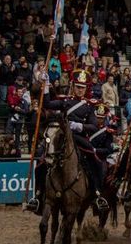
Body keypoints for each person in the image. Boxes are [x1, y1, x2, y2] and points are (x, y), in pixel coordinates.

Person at [30, 69, 108, 213]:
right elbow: (46, 103)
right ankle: (38, 196)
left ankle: (97, 194)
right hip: (62, 136)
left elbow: (93, 126)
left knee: (96, 161)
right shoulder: (65, 101)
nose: (80, 90)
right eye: (78, 87)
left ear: (86, 88)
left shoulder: (90, 105)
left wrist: (80, 126)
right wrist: (46, 85)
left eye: (82, 88)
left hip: (78, 137)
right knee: (40, 162)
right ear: (73, 86)